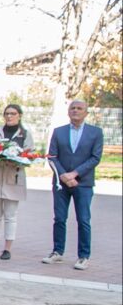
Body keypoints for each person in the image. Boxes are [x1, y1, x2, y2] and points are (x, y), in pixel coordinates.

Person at [44, 99, 103, 270]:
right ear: (68, 111)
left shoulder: (96, 133)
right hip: (61, 184)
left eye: (79, 108)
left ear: (86, 112)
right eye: (73, 108)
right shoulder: (58, 132)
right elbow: (52, 156)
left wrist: (74, 174)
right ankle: (57, 252)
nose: (75, 111)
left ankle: (83, 256)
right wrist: (63, 175)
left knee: (83, 219)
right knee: (59, 218)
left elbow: (95, 157)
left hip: (83, 183)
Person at [0, 104, 29, 260]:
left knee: (11, 215)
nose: (9, 116)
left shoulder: (25, 134)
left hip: (13, 178)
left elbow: (28, 154)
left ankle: (8, 248)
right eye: (7, 113)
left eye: (13, 113)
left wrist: (16, 158)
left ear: (19, 115)